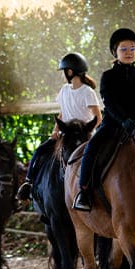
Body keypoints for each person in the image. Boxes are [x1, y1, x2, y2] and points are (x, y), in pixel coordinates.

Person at [73, 28, 135, 211]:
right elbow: (108, 101)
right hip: (114, 123)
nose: (128, 52)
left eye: (132, 49)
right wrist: (124, 119)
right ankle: (84, 192)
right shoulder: (108, 76)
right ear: (115, 52)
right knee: (92, 148)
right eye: (123, 49)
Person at [16, 52, 102, 203]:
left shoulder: (87, 92)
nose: (63, 75)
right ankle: (28, 183)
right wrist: (55, 130)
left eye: (63, 72)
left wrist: (86, 132)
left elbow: (98, 117)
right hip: (66, 134)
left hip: (83, 134)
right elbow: (62, 113)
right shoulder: (64, 90)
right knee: (40, 151)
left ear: (69, 72)